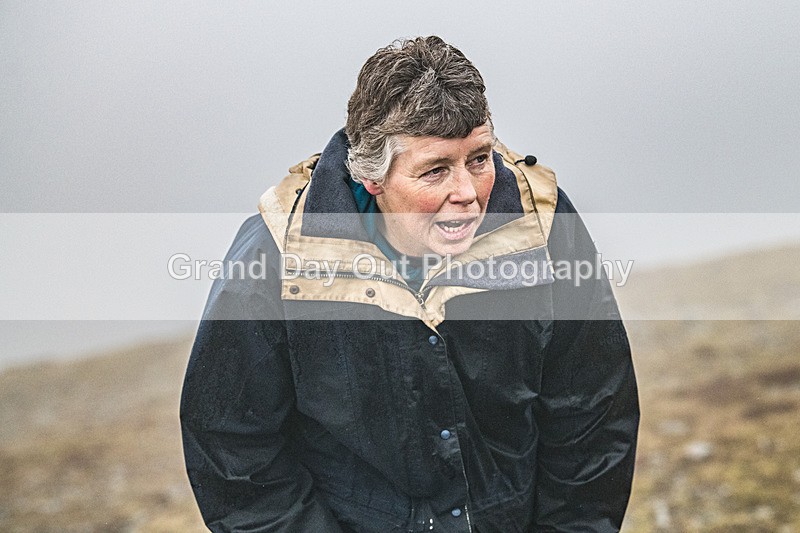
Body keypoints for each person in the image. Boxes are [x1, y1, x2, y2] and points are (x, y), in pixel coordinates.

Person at [180, 36, 639, 532]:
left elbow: (593, 418)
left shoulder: (543, 226)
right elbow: (233, 452)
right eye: (435, 170)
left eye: (479, 158)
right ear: (373, 177)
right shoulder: (276, 253)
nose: (466, 193)